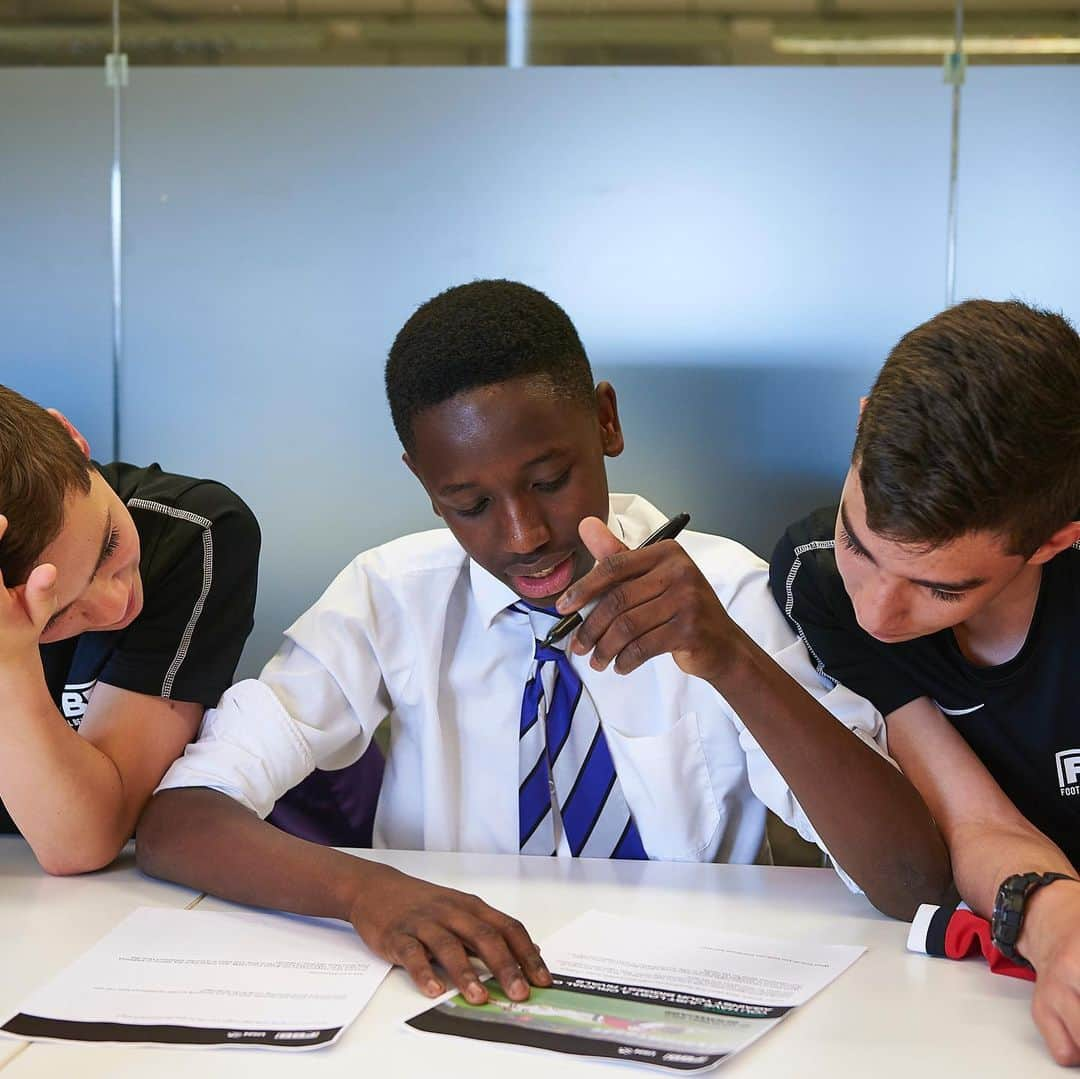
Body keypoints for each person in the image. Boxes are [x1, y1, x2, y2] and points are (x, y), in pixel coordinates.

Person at [137, 279, 948, 1010]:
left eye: (550, 480)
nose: (524, 534)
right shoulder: (389, 596)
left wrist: (734, 662)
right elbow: (179, 820)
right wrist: (366, 892)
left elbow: (911, 880)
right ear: (422, 480)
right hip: (454, 1004)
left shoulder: (726, 593)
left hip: (689, 1002)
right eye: (467, 502)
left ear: (606, 419)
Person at [769, 299, 1080, 1065]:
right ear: (862, 423)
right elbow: (974, 821)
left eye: (941, 589)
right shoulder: (817, 578)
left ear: (1055, 541)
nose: (877, 611)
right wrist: (1060, 925)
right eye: (860, 542)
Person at [0, 385, 260, 874]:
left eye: (109, 544)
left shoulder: (189, 530)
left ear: (70, 437)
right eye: (52, 616)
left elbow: (83, 839)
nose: (116, 605)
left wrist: (8, 661)